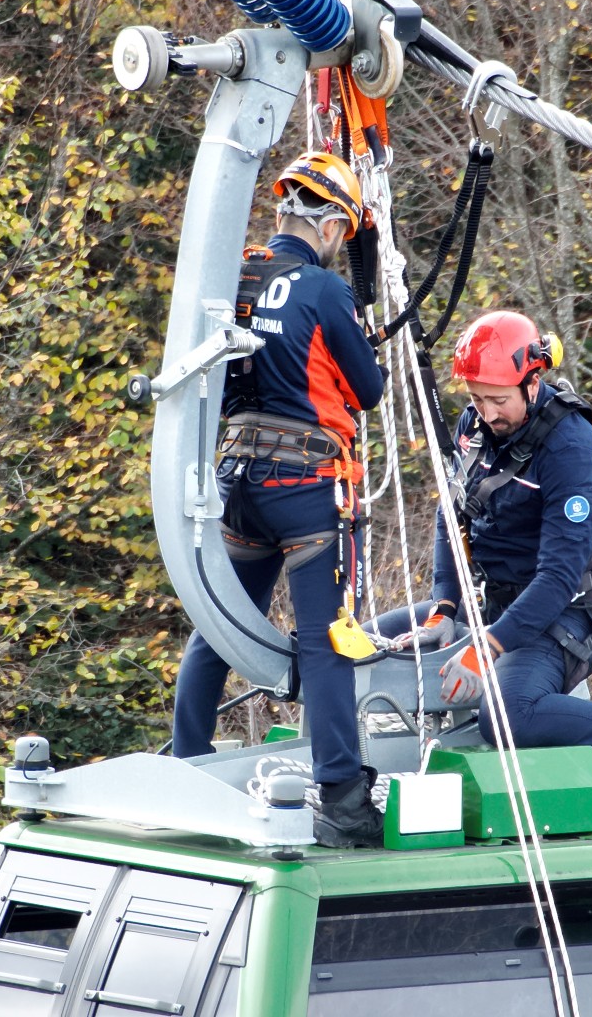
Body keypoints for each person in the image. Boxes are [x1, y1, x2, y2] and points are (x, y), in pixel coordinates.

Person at [393, 310, 592, 830]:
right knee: (365, 648)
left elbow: (557, 578)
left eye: (498, 399)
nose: (485, 413)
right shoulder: (476, 427)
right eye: (475, 399)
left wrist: (484, 647)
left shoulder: (571, 451)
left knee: (506, 716)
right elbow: (452, 511)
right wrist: (445, 606)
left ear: (532, 381)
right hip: (489, 604)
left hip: (568, 616)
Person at [172, 150, 387, 848]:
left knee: (222, 624)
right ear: (330, 228)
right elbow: (369, 390)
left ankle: (187, 765)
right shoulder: (326, 293)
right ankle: (346, 800)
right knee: (325, 644)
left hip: (238, 479)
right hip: (303, 486)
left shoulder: (238, 276)